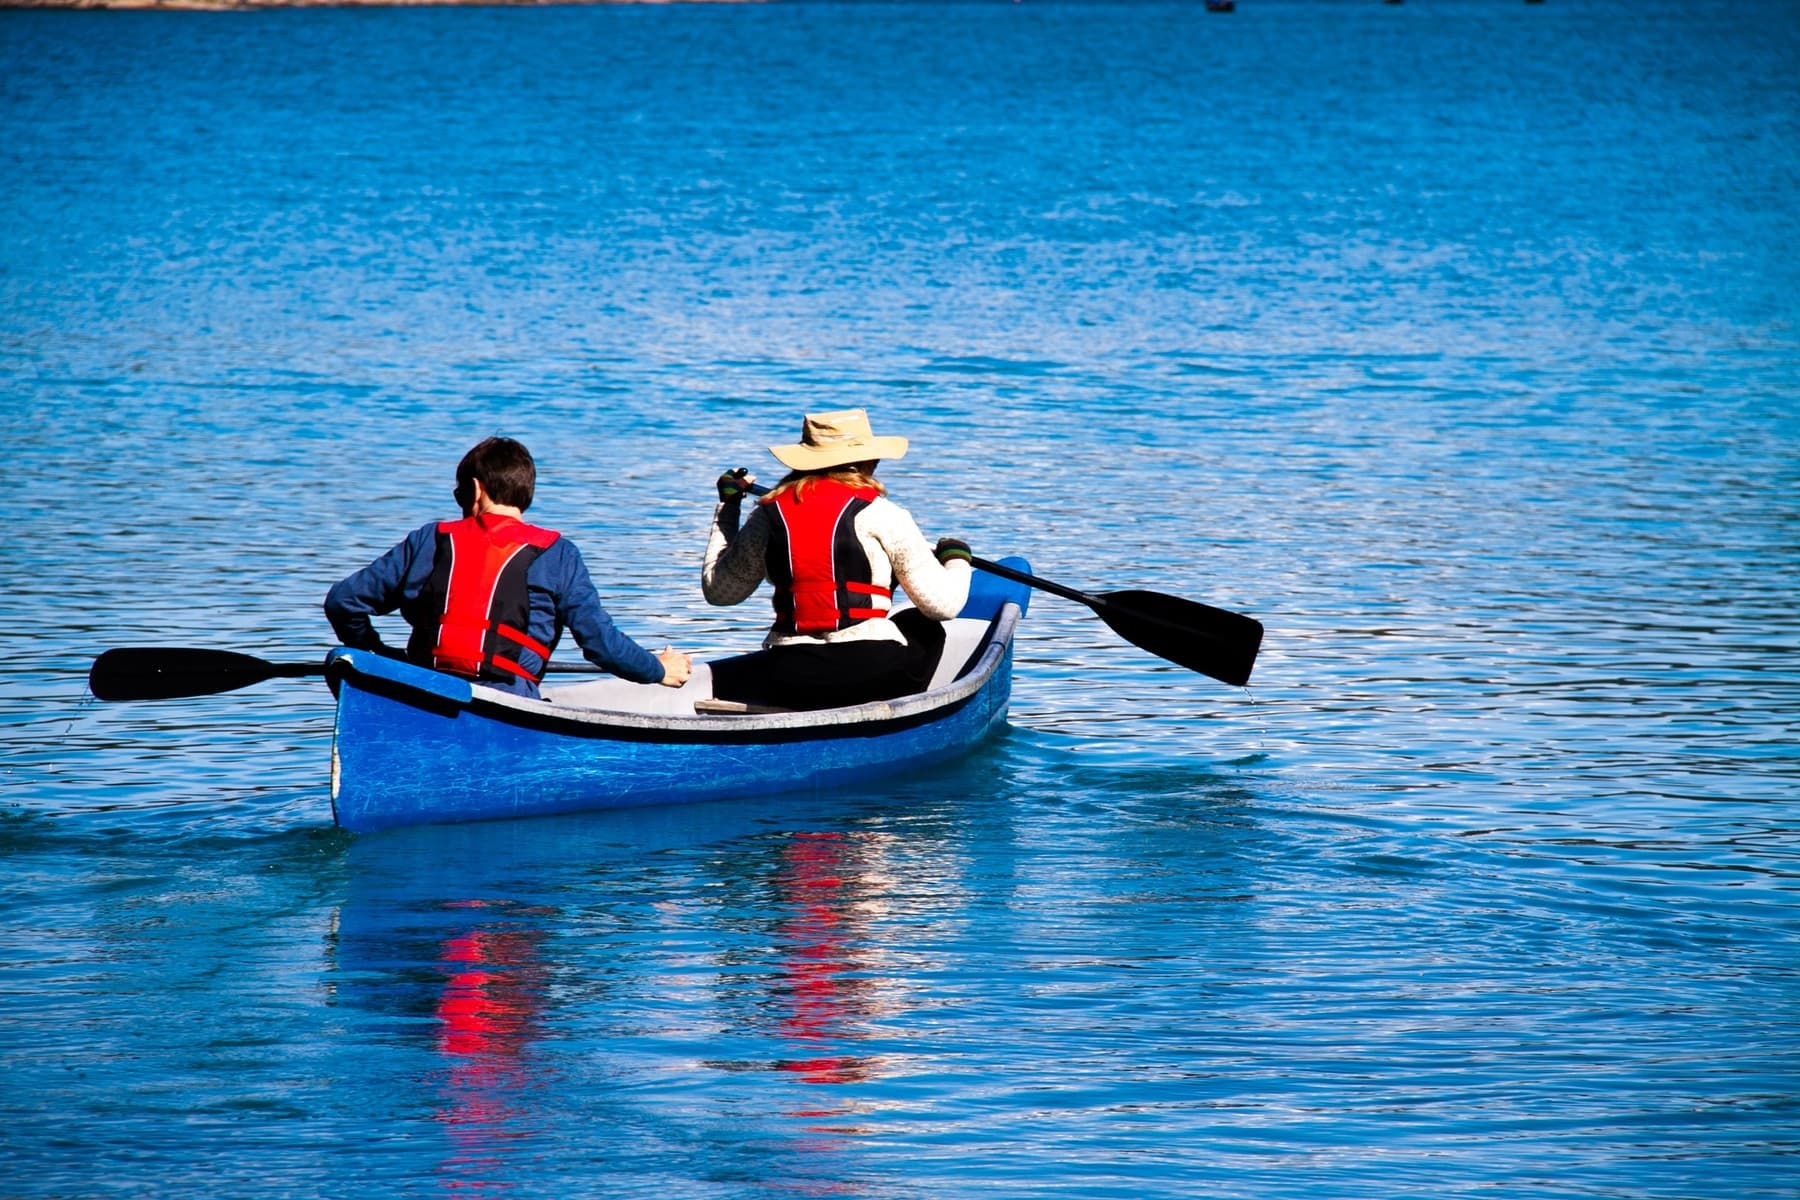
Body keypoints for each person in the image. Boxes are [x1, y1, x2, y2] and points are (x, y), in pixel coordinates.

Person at [325, 436, 690, 698]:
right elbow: (601, 645)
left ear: (475, 489)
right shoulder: (558, 554)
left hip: (424, 691)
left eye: (458, 495)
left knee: (341, 662)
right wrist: (658, 670)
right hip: (508, 699)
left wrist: (376, 651)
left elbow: (343, 601)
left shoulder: (427, 541)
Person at [702, 408, 973, 711]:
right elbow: (943, 606)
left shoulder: (766, 514)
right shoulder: (884, 515)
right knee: (920, 623)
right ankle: (897, 716)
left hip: (789, 677)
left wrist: (728, 507)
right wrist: (956, 559)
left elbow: (719, 592)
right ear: (867, 462)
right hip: (873, 674)